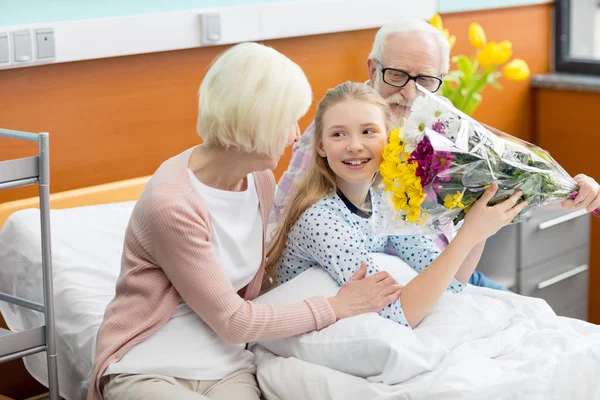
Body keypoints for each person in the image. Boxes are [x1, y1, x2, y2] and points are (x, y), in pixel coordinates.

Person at [87, 43, 402, 400]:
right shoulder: (172, 204)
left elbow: (256, 289)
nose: (296, 136)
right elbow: (235, 321)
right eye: (288, 122)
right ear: (258, 123)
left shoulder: (258, 180)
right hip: (150, 367)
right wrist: (336, 306)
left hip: (227, 366)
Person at [270, 18, 600, 290]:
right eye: (397, 75)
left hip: (454, 268)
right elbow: (283, 217)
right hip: (404, 278)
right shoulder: (337, 132)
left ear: (441, 79)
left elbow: (502, 182)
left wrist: (572, 191)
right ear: (373, 69)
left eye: (426, 80)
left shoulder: (442, 123)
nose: (410, 93)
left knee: (530, 320)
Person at [267, 81, 528, 328]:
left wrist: (479, 227)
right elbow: (398, 314)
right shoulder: (321, 220)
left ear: (389, 140)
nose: (354, 146)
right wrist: (469, 232)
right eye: (338, 134)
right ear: (321, 146)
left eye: (368, 131)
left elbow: (452, 280)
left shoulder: (382, 200)